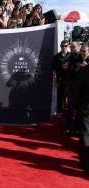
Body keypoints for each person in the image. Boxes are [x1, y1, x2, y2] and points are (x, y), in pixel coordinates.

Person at [73, 44, 89, 174]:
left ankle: (85, 163)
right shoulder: (82, 70)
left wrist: (76, 106)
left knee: (85, 134)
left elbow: (76, 90)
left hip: (85, 108)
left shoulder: (83, 71)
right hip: (85, 108)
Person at [51, 40, 70, 116]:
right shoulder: (56, 57)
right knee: (60, 95)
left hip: (69, 80)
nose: (64, 47)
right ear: (60, 46)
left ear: (68, 46)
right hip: (60, 79)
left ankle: (69, 111)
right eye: (62, 46)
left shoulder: (71, 56)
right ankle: (59, 111)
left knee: (69, 96)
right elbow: (53, 69)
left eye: (65, 46)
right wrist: (55, 80)